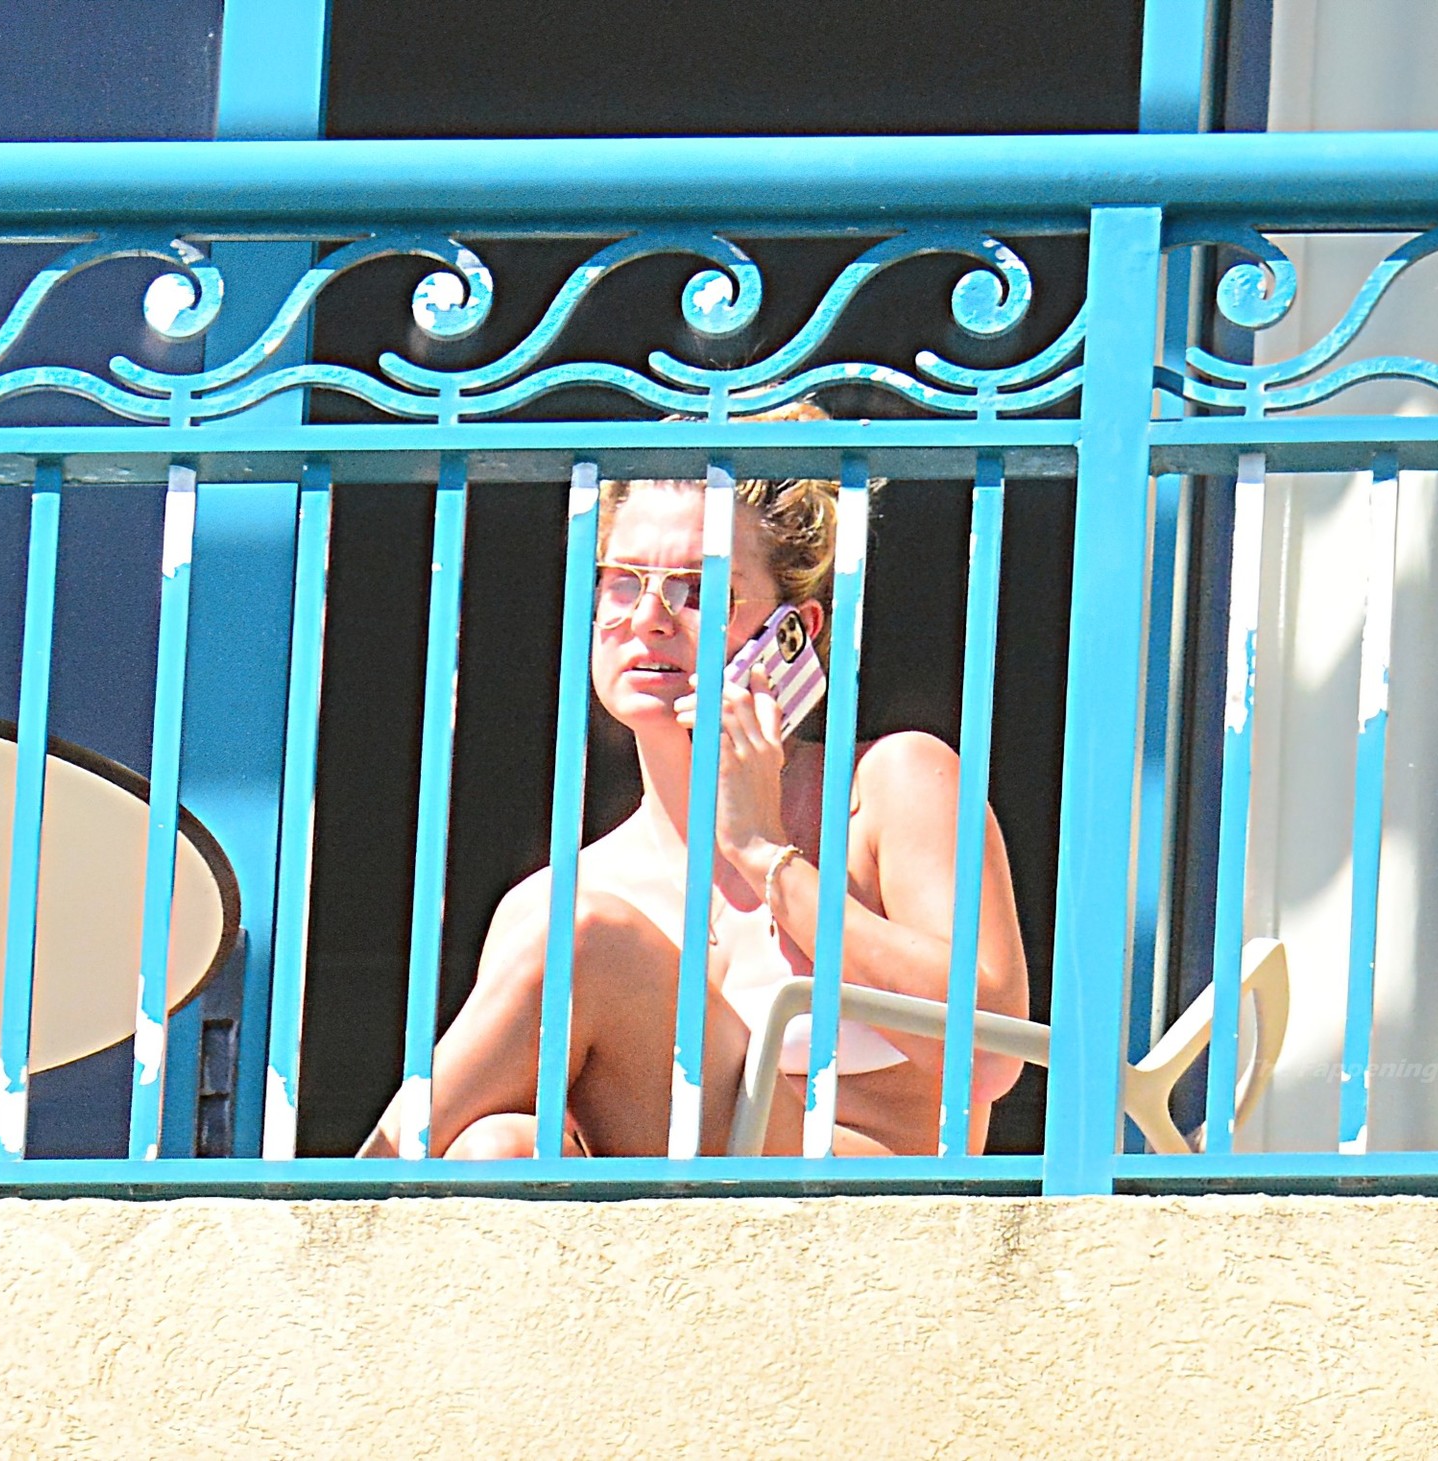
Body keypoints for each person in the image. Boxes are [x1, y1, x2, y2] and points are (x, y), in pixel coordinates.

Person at [359, 409, 1030, 1159]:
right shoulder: (553, 899)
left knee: (589, 936)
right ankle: (341, 1214)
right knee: (498, 1145)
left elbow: (991, 1057)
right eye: (624, 583)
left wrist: (766, 856)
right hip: (663, 1223)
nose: (648, 618)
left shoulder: (890, 785)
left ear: (794, 632)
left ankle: (324, 1212)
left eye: (700, 588)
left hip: (854, 1206)